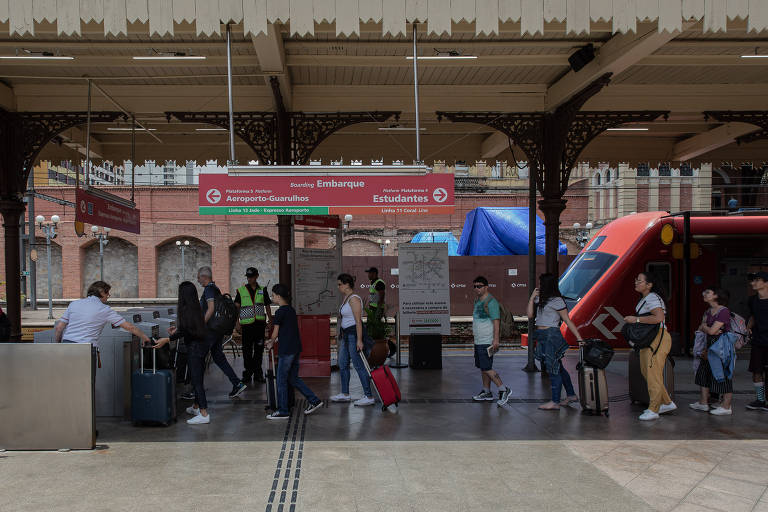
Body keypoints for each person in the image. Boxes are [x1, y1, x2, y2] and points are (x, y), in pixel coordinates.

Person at [153, 282, 211, 424]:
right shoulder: (195, 306)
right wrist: (176, 331)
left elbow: (186, 330)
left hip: (195, 348)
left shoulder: (186, 309)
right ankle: (196, 406)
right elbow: (189, 328)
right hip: (201, 345)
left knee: (196, 381)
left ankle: (204, 414)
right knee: (196, 378)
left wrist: (167, 339)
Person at [264, 284, 324, 420]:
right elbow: (288, 332)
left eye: (273, 295)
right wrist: (275, 340)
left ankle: (283, 410)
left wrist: (271, 342)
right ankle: (314, 400)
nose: (272, 297)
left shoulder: (279, 312)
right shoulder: (291, 310)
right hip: (296, 349)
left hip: (286, 351)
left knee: (281, 380)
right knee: (293, 378)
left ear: (278, 297)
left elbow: (275, 332)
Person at [623, 272, 676, 421]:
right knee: (647, 371)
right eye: (636, 280)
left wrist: (636, 319)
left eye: (639, 280)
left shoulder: (652, 297)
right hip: (651, 339)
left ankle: (653, 409)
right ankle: (667, 402)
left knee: (652, 373)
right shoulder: (646, 298)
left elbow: (659, 318)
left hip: (657, 338)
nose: (636, 282)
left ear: (649, 285)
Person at [527, 273, 583, 410]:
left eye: (541, 283)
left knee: (553, 369)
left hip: (551, 335)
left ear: (547, 285)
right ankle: (571, 395)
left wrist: (579, 338)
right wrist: (532, 297)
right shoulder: (540, 299)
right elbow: (529, 315)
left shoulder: (557, 300)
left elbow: (567, 320)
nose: (539, 286)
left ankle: (555, 401)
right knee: (558, 367)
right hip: (541, 335)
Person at [197, 266, 247, 399]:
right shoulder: (216, 289)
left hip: (211, 330)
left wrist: (200, 324)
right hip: (218, 329)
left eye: (198, 277)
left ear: (204, 277)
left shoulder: (208, 289)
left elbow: (211, 308)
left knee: (198, 357)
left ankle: (195, 389)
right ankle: (237, 383)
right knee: (219, 358)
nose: (198, 280)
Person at [330, 273, 375, 406]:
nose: (338, 287)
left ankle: (368, 395)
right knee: (343, 364)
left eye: (340, 284)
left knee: (358, 366)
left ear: (347, 284)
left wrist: (359, 340)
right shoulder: (346, 297)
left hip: (353, 335)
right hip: (345, 335)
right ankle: (345, 394)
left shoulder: (354, 299)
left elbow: (358, 321)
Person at [690, 287, 734, 415]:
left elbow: (711, 330)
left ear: (716, 295)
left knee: (723, 375)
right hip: (709, 345)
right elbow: (707, 330)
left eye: (708, 292)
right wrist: (706, 329)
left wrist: (705, 327)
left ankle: (726, 406)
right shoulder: (709, 311)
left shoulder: (723, 311)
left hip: (721, 347)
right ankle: (703, 403)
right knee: (704, 373)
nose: (704, 294)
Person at [471, 276, 512, 406]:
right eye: (475, 286)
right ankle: (486, 391)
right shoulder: (477, 301)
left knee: (487, 368)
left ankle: (503, 389)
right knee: (483, 368)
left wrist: (496, 340)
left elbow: (496, 322)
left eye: (479, 286)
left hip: (487, 340)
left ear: (486, 287)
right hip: (478, 340)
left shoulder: (491, 302)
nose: (476, 288)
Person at [234, 267, 273, 383]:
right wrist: (237, 323)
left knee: (259, 350)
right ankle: (247, 374)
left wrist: (270, 321)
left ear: (257, 276)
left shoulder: (262, 290)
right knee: (246, 351)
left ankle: (258, 374)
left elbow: (267, 306)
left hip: (259, 326)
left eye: (251, 277)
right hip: (246, 326)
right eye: (248, 277)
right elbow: (236, 308)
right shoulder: (241, 291)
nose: (249, 279)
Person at [746, 271, 768, 411]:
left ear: (766, 283)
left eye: (756, 280)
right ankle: (760, 400)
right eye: (753, 280)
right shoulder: (752, 300)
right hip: (758, 341)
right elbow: (753, 316)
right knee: (756, 371)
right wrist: (748, 327)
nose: (753, 283)